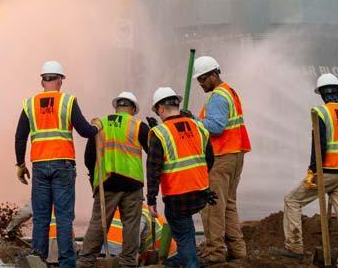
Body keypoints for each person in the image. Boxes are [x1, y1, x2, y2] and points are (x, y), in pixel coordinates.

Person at [274, 73, 338, 268]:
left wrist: (312, 170)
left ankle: (294, 248)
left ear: (322, 94)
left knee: (292, 200)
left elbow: (319, 145)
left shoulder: (320, 112)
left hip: (327, 171)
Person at [15, 60, 99, 268]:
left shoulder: (29, 104)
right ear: (60, 80)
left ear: (43, 81)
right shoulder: (67, 102)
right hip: (63, 165)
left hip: (40, 166)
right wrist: (96, 127)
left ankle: (37, 260)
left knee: (41, 216)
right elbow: (84, 131)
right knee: (63, 217)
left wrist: (20, 164)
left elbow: (20, 137)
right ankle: (67, 263)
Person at [77, 91, 150, 268]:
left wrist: (94, 178)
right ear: (133, 109)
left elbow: (89, 157)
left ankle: (86, 261)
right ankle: (127, 263)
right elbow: (153, 153)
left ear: (116, 107)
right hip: (132, 184)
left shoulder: (99, 124)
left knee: (98, 223)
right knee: (131, 226)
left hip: (107, 183)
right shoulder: (139, 125)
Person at [148, 86, 215, 268]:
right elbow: (209, 159)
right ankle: (182, 257)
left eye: (157, 111)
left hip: (177, 197)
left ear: (161, 109)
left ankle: (190, 262)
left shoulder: (159, 133)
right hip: (200, 192)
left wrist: (151, 199)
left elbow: (153, 168)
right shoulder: (199, 127)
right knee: (186, 228)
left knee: (183, 232)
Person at [193, 55, 249, 264]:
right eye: (198, 80)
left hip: (221, 156)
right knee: (229, 205)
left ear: (214, 75)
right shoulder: (229, 92)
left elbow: (216, 127)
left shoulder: (217, 96)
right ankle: (237, 250)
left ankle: (215, 252)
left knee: (212, 205)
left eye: (202, 79)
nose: (200, 84)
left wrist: (193, 120)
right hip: (235, 154)